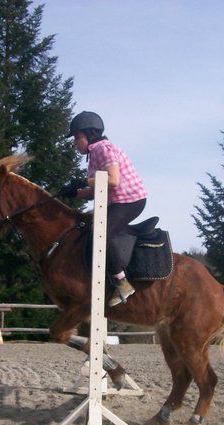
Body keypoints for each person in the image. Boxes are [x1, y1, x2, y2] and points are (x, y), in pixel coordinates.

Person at [67, 111, 148, 307]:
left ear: (90, 134)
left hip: (130, 200)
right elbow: (97, 190)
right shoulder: (95, 153)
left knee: (100, 232)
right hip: (118, 201)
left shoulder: (103, 149)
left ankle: (122, 283)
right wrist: (74, 193)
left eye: (77, 137)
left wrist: (84, 181)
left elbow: (112, 180)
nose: (75, 143)